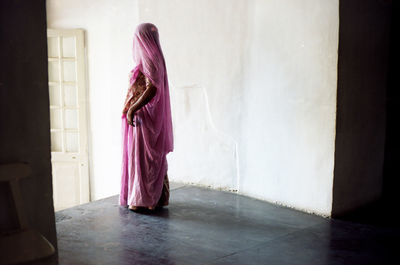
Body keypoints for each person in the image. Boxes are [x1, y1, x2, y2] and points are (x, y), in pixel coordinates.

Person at [119, 23, 174, 211]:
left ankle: (145, 199)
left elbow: (152, 87)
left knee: (145, 159)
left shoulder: (151, 59)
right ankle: (152, 198)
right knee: (148, 159)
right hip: (146, 117)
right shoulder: (153, 58)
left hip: (145, 118)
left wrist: (133, 108)